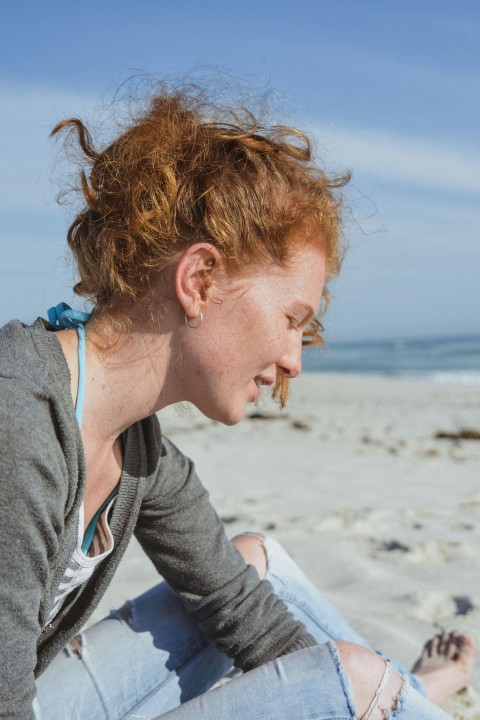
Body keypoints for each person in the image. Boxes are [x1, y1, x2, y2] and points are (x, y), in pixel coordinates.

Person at [0, 84, 475, 720]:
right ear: (199, 280)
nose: (293, 362)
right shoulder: (21, 425)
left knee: (256, 566)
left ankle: (411, 697)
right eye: (290, 318)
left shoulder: (135, 450)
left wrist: (370, 703)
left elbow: (247, 615)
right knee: (356, 677)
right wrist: (355, 691)